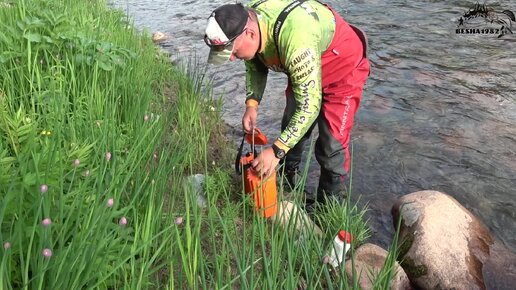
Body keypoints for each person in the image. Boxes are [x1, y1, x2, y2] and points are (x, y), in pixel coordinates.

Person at [203, 0, 370, 209]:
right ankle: (288, 180)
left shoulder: (295, 40)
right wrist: (252, 104)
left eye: (234, 53)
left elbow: (309, 108)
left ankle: (329, 206)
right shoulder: (249, 17)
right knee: (291, 123)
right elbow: (255, 62)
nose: (233, 59)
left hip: (342, 70)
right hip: (305, 66)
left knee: (331, 145)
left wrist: (275, 151)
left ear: (250, 34)